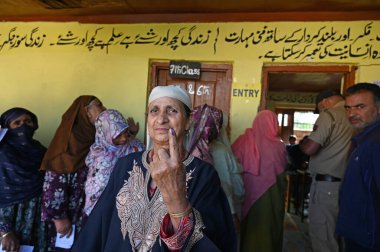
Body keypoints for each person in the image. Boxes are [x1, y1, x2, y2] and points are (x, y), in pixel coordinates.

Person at [71, 85, 236, 252]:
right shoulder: (125, 165)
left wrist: (176, 199)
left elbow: (210, 240)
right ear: (148, 120)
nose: (161, 119)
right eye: (154, 111)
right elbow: (98, 226)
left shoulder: (204, 175)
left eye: (172, 110)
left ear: (188, 121)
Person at [40, 95, 105, 251]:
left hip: (90, 213)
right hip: (70, 215)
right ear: (86, 112)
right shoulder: (67, 144)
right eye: (99, 105)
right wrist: (59, 218)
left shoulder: (96, 137)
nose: (104, 109)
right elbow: (53, 182)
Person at [300, 90, 355, 252]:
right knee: (340, 235)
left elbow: (311, 148)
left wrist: (302, 144)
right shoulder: (353, 115)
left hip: (327, 185)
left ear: (324, 102)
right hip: (345, 184)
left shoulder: (329, 115)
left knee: (322, 235)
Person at [232, 110, 288, 252]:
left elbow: (232, 166)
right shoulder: (279, 146)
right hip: (273, 195)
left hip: (249, 193)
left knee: (252, 227)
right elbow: (282, 172)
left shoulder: (244, 140)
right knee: (271, 226)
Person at [336, 83, 380, 251]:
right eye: (348, 108)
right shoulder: (365, 139)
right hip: (360, 234)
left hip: (369, 239)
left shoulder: (375, 143)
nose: (351, 114)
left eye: (360, 107)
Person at [188, 104, 244, 233]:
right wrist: (233, 214)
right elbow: (226, 185)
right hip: (215, 211)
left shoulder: (184, 148)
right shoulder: (220, 151)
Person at [0, 108, 47, 252]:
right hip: (8, 222)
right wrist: (5, 232)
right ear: (7, 128)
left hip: (37, 220)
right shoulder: (2, 154)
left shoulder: (40, 150)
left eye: (28, 121)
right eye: (17, 123)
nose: (24, 126)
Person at [83, 109, 145, 216]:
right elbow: (95, 191)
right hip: (104, 212)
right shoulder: (100, 156)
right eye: (118, 135)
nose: (124, 138)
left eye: (125, 131)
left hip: (131, 210)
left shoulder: (134, 145)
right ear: (106, 135)